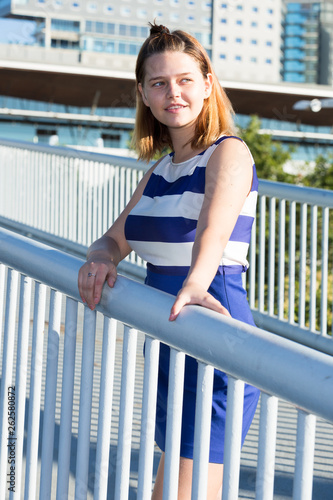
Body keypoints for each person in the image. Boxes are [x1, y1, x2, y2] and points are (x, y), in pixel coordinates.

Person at [78, 22, 260, 500]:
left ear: (207, 82)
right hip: (168, 345)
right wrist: (99, 259)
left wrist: (197, 281)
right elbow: (114, 239)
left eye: (184, 80)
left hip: (212, 337)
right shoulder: (160, 171)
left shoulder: (229, 154)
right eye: (158, 83)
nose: (172, 93)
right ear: (143, 93)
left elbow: (212, 236)